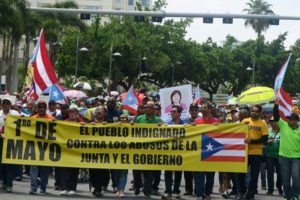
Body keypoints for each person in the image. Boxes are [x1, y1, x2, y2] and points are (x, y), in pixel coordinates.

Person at [135, 101, 162, 199]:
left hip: (152, 151)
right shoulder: (139, 118)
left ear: (154, 109)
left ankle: (147, 192)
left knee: (149, 174)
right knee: (137, 172)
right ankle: (137, 186)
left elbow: (166, 131)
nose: (148, 109)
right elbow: (132, 131)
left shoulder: (158, 120)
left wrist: (162, 126)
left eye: (150, 107)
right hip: (139, 150)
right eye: (146, 107)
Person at [273, 99, 300, 200]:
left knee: (296, 177)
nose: (289, 121)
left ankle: (295, 195)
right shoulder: (284, 125)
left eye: (292, 119)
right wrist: (276, 106)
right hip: (283, 157)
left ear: (297, 121)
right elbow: (276, 117)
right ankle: (287, 196)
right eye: (289, 119)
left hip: (297, 157)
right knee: (285, 178)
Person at [194, 102, 220, 200]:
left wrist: (218, 126)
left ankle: (208, 193)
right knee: (199, 174)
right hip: (199, 151)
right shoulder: (197, 121)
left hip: (211, 151)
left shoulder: (216, 121)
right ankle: (199, 194)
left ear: (209, 109)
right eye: (202, 107)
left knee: (210, 174)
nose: (203, 108)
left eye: (205, 107)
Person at [242, 104, 269, 200]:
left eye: (256, 111)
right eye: (253, 110)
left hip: (256, 153)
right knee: (241, 174)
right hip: (244, 152)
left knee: (254, 176)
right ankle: (242, 192)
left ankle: (251, 194)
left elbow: (264, 139)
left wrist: (252, 141)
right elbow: (236, 131)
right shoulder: (245, 121)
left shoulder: (263, 124)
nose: (254, 112)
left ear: (259, 113)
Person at [29, 100, 55, 195]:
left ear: (46, 108)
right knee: (34, 168)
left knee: (44, 169)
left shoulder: (51, 119)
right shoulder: (33, 118)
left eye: (44, 107)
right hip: (35, 147)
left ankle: (43, 187)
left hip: (46, 148)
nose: (42, 109)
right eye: (40, 107)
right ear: (37, 108)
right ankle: (33, 188)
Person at [162, 105, 185, 200]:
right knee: (167, 172)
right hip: (169, 152)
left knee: (178, 173)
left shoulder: (184, 124)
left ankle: (176, 191)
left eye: (174, 111)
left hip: (180, 152)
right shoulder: (167, 123)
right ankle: (168, 191)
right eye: (171, 111)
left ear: (179, 113)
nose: (172, 113)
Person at [60, 103, 83, 196]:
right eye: (70, 112)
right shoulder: (64, 122)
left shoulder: (82, 123)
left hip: (77, 150)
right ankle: (64, 188)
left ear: (77, 114)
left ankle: (72, 188)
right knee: (64, 170)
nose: (72, 114)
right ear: (68, 114)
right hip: (66, 149)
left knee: (74, 170)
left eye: (74, 112)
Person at [89, 105, 109, 197]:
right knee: (93, 170)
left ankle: (98, 189)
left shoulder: (109, 123)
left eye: (101, 110)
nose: (98, 111)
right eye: (97, 110)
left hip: (104, 152)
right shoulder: (90, 123)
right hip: (93, 152)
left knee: (102, 171)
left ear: (104, 113)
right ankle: (94, 186)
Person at [0, 97, 20, 193]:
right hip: (1, 140)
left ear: (10, 105)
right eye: (4, 103)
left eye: (7, 103)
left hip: (12, 141)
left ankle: (9, 184)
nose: (5, 105)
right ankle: (3, 181)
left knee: (10, 164)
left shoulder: (15, 114)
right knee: (2, 164)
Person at [265, 119, 283, 195]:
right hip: (269, 155)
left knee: (280, 173)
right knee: (270, 172)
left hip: (280, 155)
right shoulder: (268, 130)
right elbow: (264, 140)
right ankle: (270, 189)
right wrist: (267, 141)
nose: (272, 122)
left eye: (274, 121)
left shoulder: (282, 131)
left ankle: (279, 186)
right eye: (271, 121)